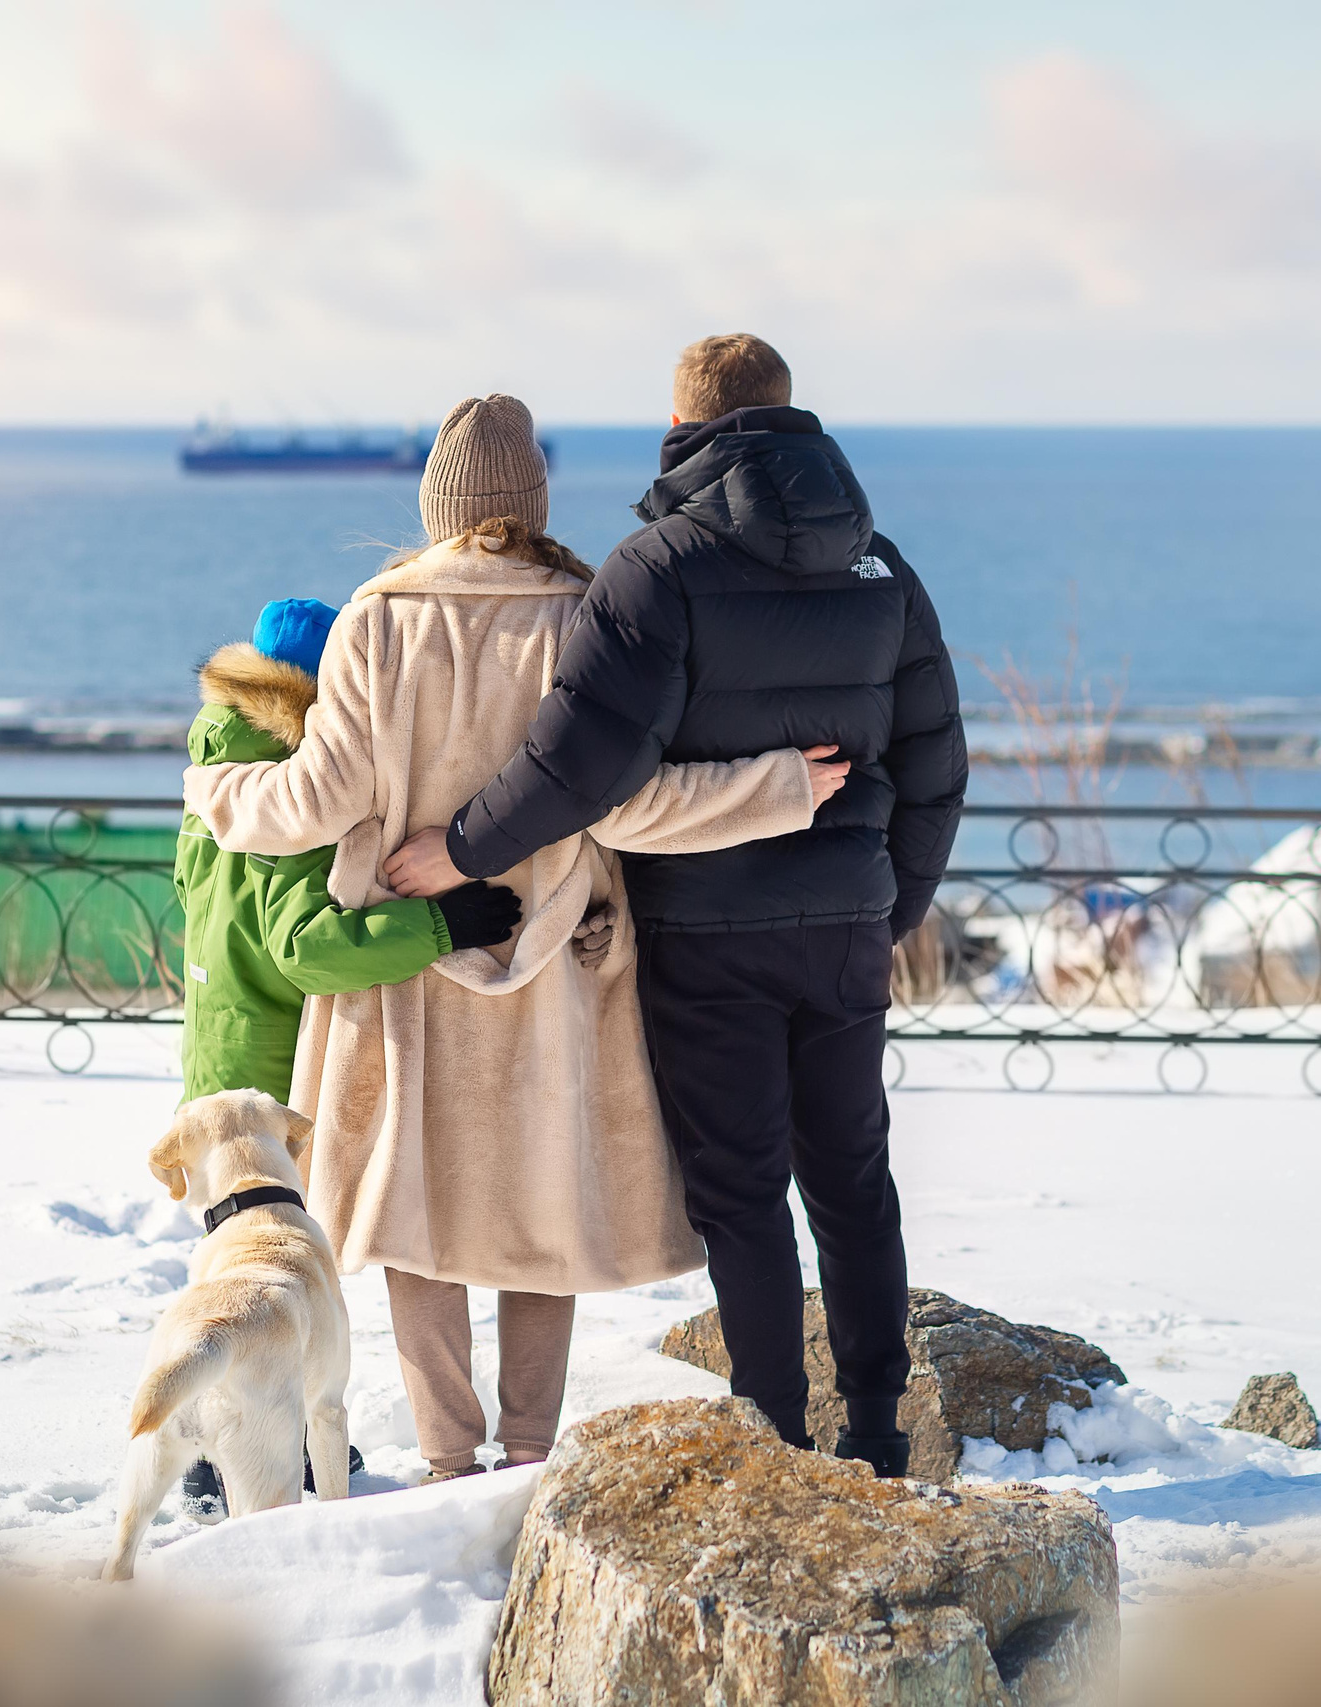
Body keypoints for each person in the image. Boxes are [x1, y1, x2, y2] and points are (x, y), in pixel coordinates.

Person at [183, 395, 848, 1480]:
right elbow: (632, 805)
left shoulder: (378, 618)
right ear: (533, 501)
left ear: (436, 504)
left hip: (408, 962)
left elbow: (314, 799)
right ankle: (529, 1452)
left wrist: (216, 791)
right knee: (541, 1210)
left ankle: (448, 1458)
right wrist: (779, 786)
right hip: (559, 965)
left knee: (414, 1217)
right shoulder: (589, 615)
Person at [382, 336, 966, 1478]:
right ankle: (880, 1432)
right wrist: (886, 906)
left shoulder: (656, 568)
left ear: (680, 424)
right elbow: (938, 765)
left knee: (745, 1197)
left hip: (705, 937)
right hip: (844, 928)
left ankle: (778, 1445)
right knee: (852, 1178)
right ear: (792, 417)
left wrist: (459, 849)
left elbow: (577, 767)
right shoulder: (882, 568)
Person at [169, 596, 522, 1509]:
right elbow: (308, 945)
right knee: (270, 1266)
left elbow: (199, 896)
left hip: (213, 1054)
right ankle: (229, 1454)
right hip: (265, 1070)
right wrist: (441, 920)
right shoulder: (285, 803)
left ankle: (221, 1439)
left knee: (231, 1261)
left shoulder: (215, 771)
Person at [174, 598, 521, 1105]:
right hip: (276, 1063)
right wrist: (440, 926)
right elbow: (306, 950)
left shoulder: (210, 786)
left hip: (210, 1038)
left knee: (228, 1181)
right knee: (278, 1184)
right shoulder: (301, 802)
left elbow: (189, 891)